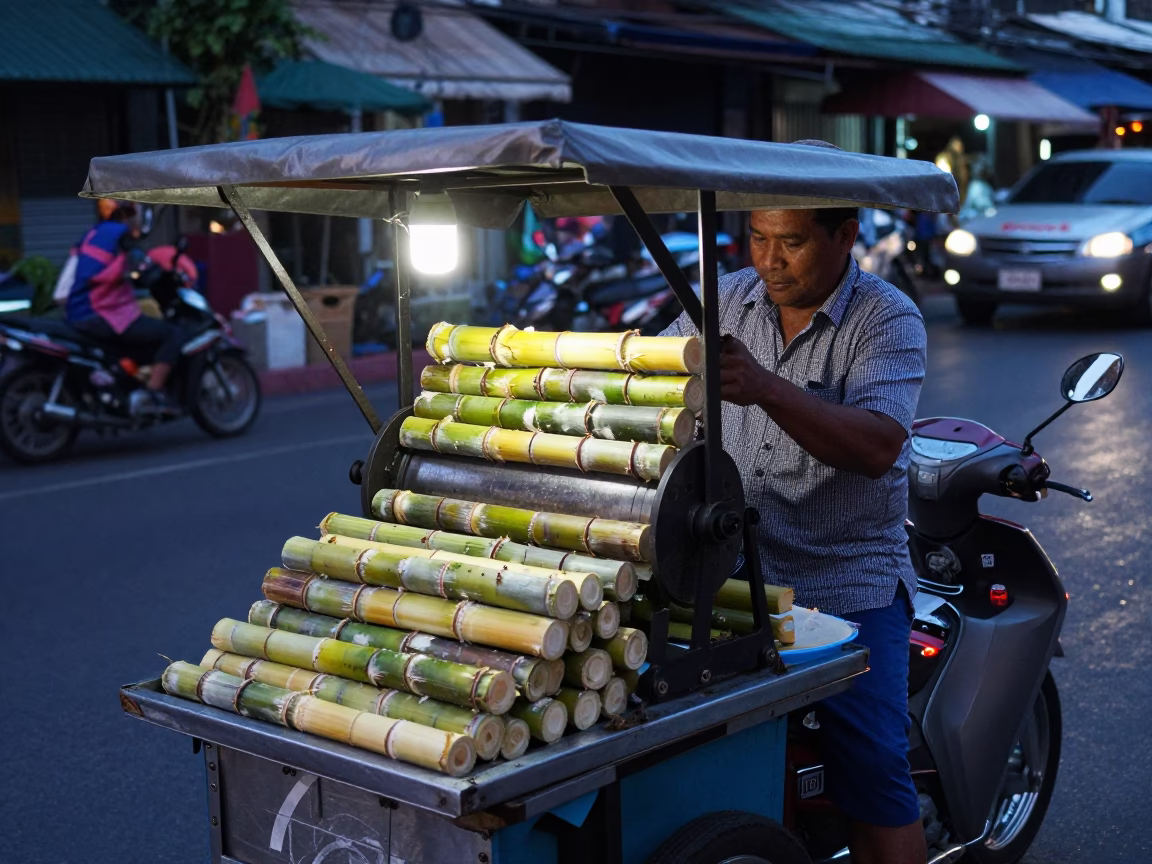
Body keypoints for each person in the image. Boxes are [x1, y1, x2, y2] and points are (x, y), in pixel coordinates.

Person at [661, 141, 928, 864]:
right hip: (732, 573)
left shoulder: (886, 319)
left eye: (792, 242)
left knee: (873, 770)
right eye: (756, 237)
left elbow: (877, 447)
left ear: (845, 236)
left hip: (846, 582)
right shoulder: (722, 302)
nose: (769, 261)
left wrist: (767, 389)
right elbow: (649, 379)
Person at [65, 200, 183, 413]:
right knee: (171, 334)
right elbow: (143, 266)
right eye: (132, 212)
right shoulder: (120, 234)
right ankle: (154, 393)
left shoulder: (93, 233)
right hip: (104, 313)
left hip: (78, 312)